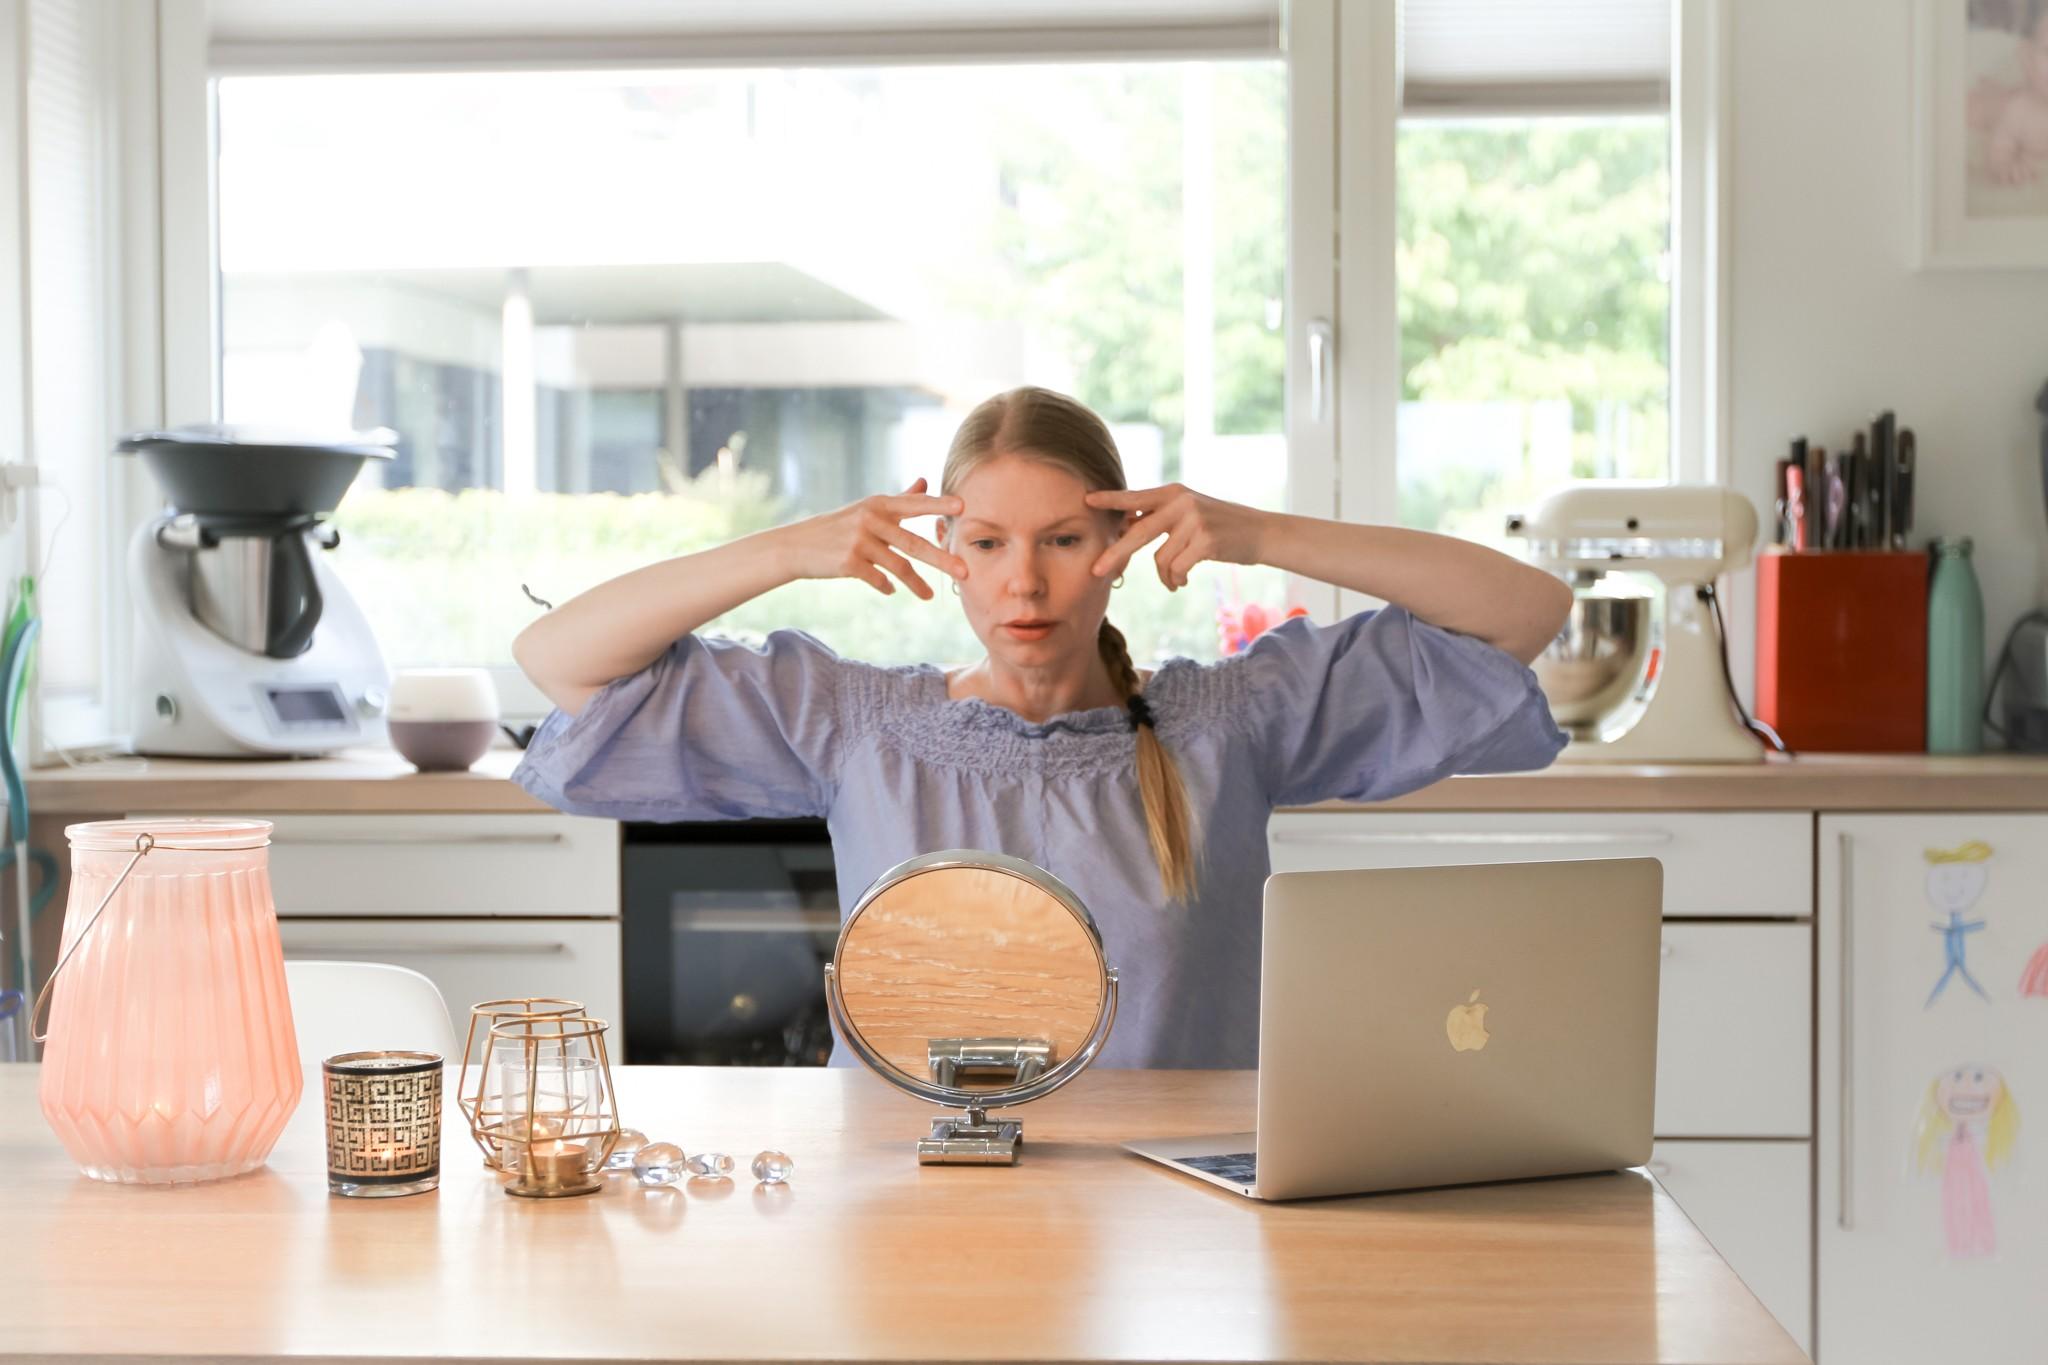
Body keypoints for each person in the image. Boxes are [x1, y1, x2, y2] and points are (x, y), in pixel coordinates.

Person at [510, 386, 1574, 1067]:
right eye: (986, 543)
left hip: (1176, 1225)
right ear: (951, 556)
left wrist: (1256, 531)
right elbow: (560, 659)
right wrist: (788, 549)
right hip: (907, 1212)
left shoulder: (1231, 723)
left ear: (1118, 544)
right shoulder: (853, 726)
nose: (1023, 581)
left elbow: (1523, 613)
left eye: (1062, 539)